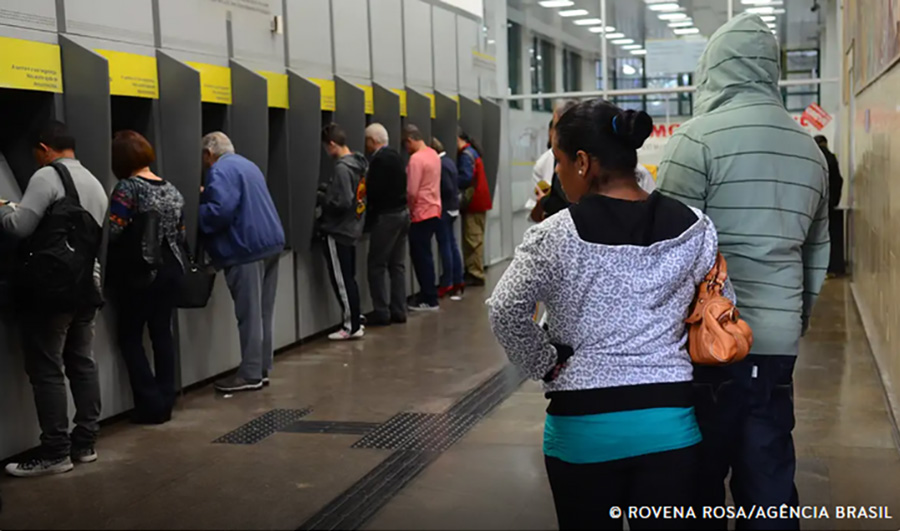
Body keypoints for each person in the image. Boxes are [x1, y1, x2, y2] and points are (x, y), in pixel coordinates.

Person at [488, 100, 723, 530]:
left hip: (582, 431)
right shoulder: (695, 227)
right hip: (669, 426)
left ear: (582, 162)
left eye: (559, 162)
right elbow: (720, 306)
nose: (558, 174)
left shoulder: (554, 235)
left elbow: (505, 308)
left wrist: (543, 361)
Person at [656, 13, 829, 530]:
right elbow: (816, 254)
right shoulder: (809, 150)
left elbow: (667, 251)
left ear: (714, 67)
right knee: (768, 478)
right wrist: (792, 322)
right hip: (776, 343)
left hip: (704, 341)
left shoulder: (694, 141)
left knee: (697, 483)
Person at [2, 121, 107, 477]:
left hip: (52, 291)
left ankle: (55, 452)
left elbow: (19, 227)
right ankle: (85, 443)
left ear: (44, 149)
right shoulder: (93, 181)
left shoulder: (47, 176)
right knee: (81, 362)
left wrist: (3, 208)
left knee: (47, 369)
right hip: (86, 286)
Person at [107, 130, 185, 424]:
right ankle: (165, 400)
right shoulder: (172, 189)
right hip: (171, 268)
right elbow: (181, 234)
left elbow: (114, 230)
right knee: (162, 333)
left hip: (142, 272)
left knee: (129, 336)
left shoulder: (128, 188)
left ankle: (150, 404)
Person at [199, 132, 285, 392]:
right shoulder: (248, 165)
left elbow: (220, 211)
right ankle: (261, 368)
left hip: (245, 248)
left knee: (249, 315)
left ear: (208, 154)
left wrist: (194, 211)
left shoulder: (219, 170)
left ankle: (249, 374)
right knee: (263, 313)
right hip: (270, 243)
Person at [320, 123, 368, 337]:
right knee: (349, 277)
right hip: (353, 226)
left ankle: (351, 326)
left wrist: (324, 198)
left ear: (332, 144)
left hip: (338, 230)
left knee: (341, 279)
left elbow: (343, 201)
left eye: (325, 147)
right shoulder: (359, 163)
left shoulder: (341, 168)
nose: (326, 152)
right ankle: (356, 317)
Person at [363, 123, 409, 326]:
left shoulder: (378, 160)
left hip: (386, 217)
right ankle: (399, 310)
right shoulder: (397, 156)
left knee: (376, 265)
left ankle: (382, 312)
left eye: (367, 141)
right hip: (403, 213)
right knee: (397, 265)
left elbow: (374, 192)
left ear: (373, 141)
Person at [404, 125, 442, 311]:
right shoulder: (433, 154)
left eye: (406, 145)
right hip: (434, 210)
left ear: (410, 140)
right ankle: (429, 294)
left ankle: (428, 298)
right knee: (427, 255)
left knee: (420, 257)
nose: (406, 149)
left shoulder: (416, 159)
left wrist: (410, 210)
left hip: (420, 213)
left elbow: (412, 191)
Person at [456, 128, 492, 287]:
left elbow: (465, 178)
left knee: (473, 239)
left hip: (474, 202)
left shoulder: (465, 155)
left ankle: (475, 273)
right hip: (478, 201)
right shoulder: (472, 152)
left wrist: (450, 179)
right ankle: (473, 270)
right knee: (474, 238)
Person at [431, 137, 465, 299]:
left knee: (445, 246)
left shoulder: (440, 164)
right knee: (452, 244)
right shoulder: (449, 161)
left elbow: (447, 188)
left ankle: (447, 282)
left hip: (444, 209)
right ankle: (458, 280)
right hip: (453, 208)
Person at [815, 135, 845, 276]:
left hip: (816, 205)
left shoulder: (815, 158)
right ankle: (833, 268)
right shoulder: (831, 157)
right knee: (832, 238)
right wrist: (834, 201)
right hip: (830, 206)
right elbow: (839, 180)